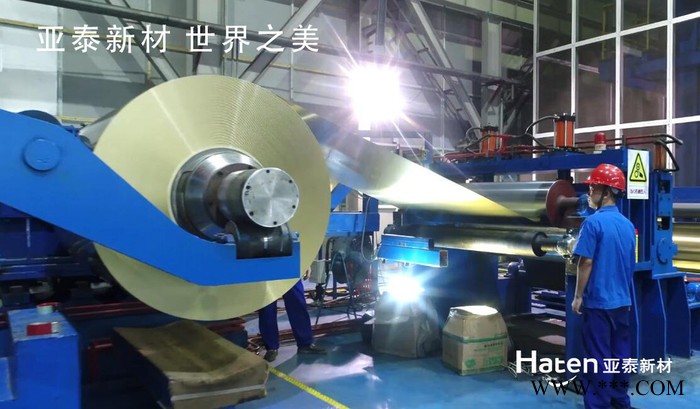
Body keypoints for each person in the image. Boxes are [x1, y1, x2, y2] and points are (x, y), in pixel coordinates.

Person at [572, 163, 636, 409]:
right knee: (620, 355)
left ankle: (599, 404)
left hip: (599, 302)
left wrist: (578, 296)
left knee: (597, 357)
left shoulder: (592, 223)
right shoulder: (628, 225)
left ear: (606, 192)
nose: (589, 193)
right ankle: (620, 401)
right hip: (622, 302)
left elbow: (585, 262)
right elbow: (628, 263)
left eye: (593, 188)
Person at [258, 279, 326, 362]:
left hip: (291, 274)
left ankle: (305, 344)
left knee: (298, 304)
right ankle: (271, 348)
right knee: (267, 309)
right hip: (266, 275)